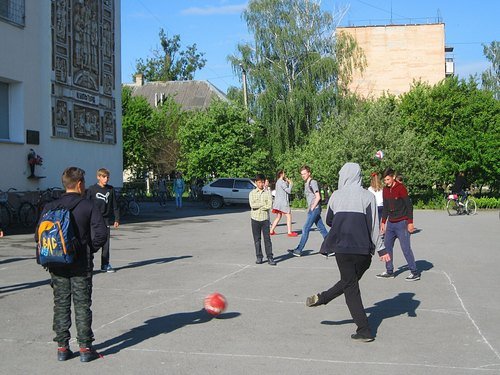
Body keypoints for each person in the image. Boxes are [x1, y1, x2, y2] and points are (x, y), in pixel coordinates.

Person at [306, 163, 390, 342]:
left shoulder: (336, 196)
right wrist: (382, 248)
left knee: (349, 285)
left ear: (343, 176)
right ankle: (322, 298)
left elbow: (329, 220)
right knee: (349, 283)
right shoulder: (368, 196)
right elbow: (374, 226)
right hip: (363, 252)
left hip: (342, 249)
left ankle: (365, 330)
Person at [37, 166, 108, 362]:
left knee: (60, 304)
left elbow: (39, 235)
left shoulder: (50, 207)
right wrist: (88, 248)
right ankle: (85, 349)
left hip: (56, 262)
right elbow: (102, 233)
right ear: (79, 184)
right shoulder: (87, 206)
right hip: (80, 264)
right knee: (82, 304)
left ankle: (62, 348)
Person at [376, 168, 420, 281]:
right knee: (387, 247)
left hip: (402, 223)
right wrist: (383, 222)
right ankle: (389, 271)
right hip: (391, 223)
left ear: (393, 177)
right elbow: (385, 207)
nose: (386, 182)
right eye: (385, 180)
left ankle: (414, 272)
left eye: (388, 179)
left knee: (405, 248)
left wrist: (410, 223)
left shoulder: (401, 188)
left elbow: (409, 206)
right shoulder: (385, 190)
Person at [289, 165, 328, 257]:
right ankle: (331, 248)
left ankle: (298, 250)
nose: (303, 176)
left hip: (315, 209)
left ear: (309, 173)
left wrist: (312, 207)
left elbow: (317, 197)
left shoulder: (312, 182)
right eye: (302, 174)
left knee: (305, 228)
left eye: (304, 174)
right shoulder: (306, 183)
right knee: (322, 229)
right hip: (314, 209)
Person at [86, 168, 120, 273]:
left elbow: (115, 205)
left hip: (105, 220)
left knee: (106, 243)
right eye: (103, 177)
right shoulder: (92, 189)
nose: (106, 179)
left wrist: (116, 218)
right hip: (93, 220)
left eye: (107, 177)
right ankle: (87, 265)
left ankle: (105, 264)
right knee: (91, 241)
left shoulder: (111, 189)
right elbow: (86, 205)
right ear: (98, 177)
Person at [249, 174, 276, 266]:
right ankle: (259, 256)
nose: (261, 184)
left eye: (262, 182)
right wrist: (262, 204)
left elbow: (269, 206)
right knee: (257, 239)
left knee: (267, 240)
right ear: (256, 182)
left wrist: (259, 204)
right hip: (255, 219)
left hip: (264, 220)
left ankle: (270, 257)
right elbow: (252, 205)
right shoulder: (252, 193)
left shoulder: (267, 193)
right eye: (259, 182)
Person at [270, 170, 297, 237]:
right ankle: (289, 232)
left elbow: (283, 189)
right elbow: (288, 191)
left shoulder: (278, 182)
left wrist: (287, 182)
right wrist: (291, 184)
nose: (285, 174)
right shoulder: (281, 182)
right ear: (281, 174)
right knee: (288, 216)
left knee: (278, 216)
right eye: (284, 173)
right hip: (283, 202)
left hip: (277, 202)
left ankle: (271, 230)